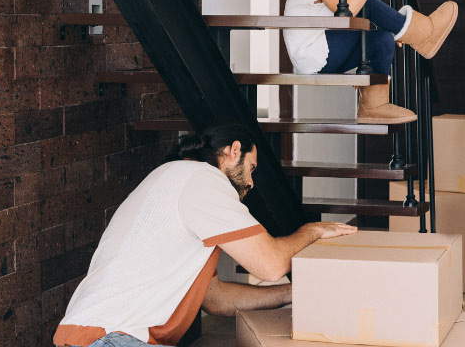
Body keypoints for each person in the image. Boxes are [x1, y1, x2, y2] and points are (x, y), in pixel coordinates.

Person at [53, 123, 356, 347]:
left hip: (99, 336)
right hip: (108, 338)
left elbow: (216, 299)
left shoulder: (181, 180)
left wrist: (292, 294)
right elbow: (271, 264)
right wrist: (311, 230)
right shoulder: (203, 179)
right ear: (233, 151)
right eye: (251, 168)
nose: (250, 183)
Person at [283, 0, 458, 124]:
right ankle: (423, 34)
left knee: (382, 39)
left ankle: (373, 107)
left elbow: (364, 1)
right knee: (377, 26)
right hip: (313, 54)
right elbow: (351, 8)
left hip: (317, 51)